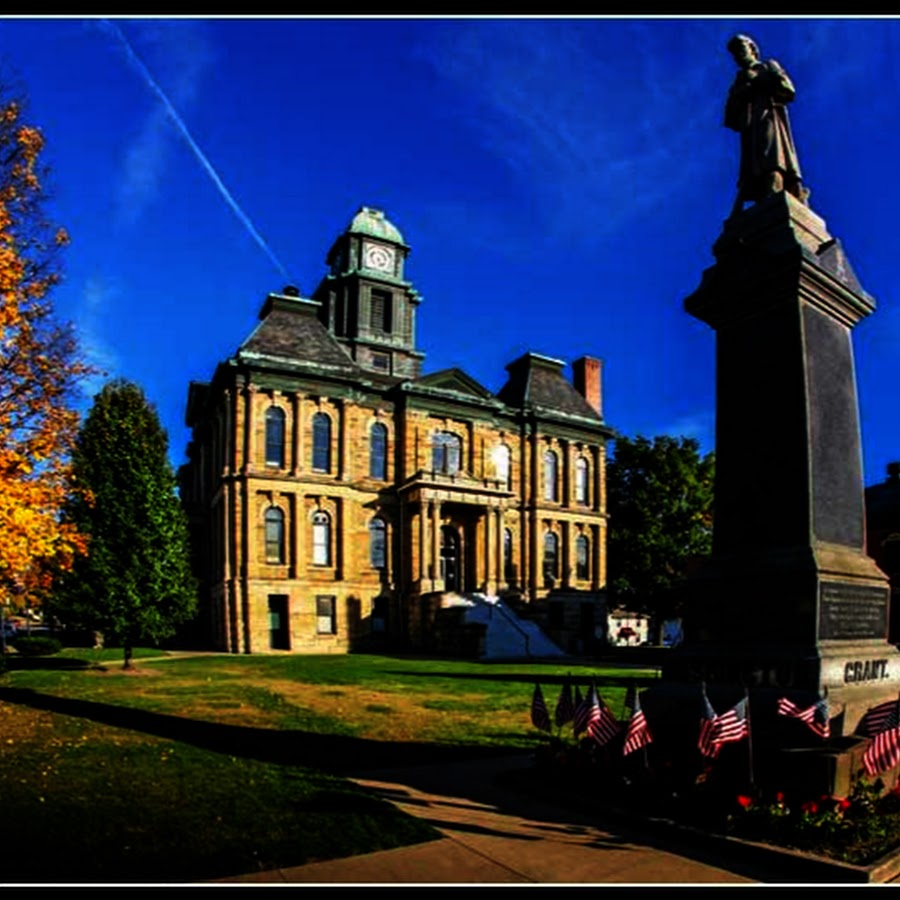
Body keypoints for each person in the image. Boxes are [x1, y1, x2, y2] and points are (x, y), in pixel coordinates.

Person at [725, 34, 808, 215]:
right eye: (735, 54)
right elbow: (730, 118)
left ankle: (778, 188)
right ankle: (756, 199)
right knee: (751, 166)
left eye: (741, 50)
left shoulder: (768, 66)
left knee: (772, 154)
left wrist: (758, 80)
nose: (738, 56)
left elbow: (787, 89)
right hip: (750, 129)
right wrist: (742, 92)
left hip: (769, 118)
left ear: (752, 50)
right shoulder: (739, 81)